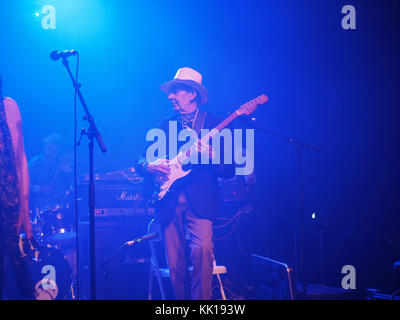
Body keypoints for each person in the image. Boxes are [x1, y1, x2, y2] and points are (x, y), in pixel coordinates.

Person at [135, 67, 235, 299]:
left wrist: (214, 157)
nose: (170, 96)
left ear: (192, 94)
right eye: (170, 92)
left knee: (202, 250)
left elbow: (230, 170)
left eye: (176, 91)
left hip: (200, 201)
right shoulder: (165, 125)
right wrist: (149, 166)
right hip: (169, 200)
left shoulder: (215, 124)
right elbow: (140, 159)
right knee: (175, 262)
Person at [0, 74, 34, 299]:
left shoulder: (9, 106)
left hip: (10, 202)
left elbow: (20, 158)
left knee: (18, 267)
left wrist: (25, 209)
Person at [28, 132, 73, 213]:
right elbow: (25, 185)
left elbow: (70, 184)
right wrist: (40, 189)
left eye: (55, 150)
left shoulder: (62, 162)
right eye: (49, 149)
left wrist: (67, 169)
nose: (51, 152)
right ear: (44, 148)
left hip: (61, 207)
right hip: (41, 208)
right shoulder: (34, 163)